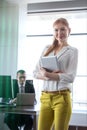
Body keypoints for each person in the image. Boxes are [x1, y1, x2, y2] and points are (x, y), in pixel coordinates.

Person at [33, 18, 78, 130]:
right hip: (45, 97)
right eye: (56, 30)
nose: (59, 33)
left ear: (69, 30)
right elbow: (35, 73)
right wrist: (47, 75)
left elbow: (71, 77)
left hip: (62, 97)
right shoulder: (47, 49)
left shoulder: (72, 51)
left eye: (62, 29)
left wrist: (48, 75)